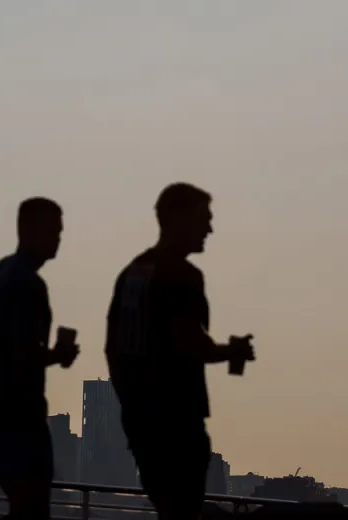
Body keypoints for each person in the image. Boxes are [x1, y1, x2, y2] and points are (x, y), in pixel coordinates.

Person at [105, 183, 256, 520]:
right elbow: (189, 341)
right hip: (177, 420)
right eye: (204, 219)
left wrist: (132, 406)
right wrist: (232, 351)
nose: (209, 229)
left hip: (141, 421)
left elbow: (113, 348)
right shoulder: (181, 275)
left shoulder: (132, 274)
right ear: (177, 217)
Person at [0, 197, 80, 520]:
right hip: (18, 420)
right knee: (32, 506)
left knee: (22, 503)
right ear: (27, 230)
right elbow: (22, 355)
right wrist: (58, 355)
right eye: (52, 230)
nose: (58, 239)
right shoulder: (28, 284)